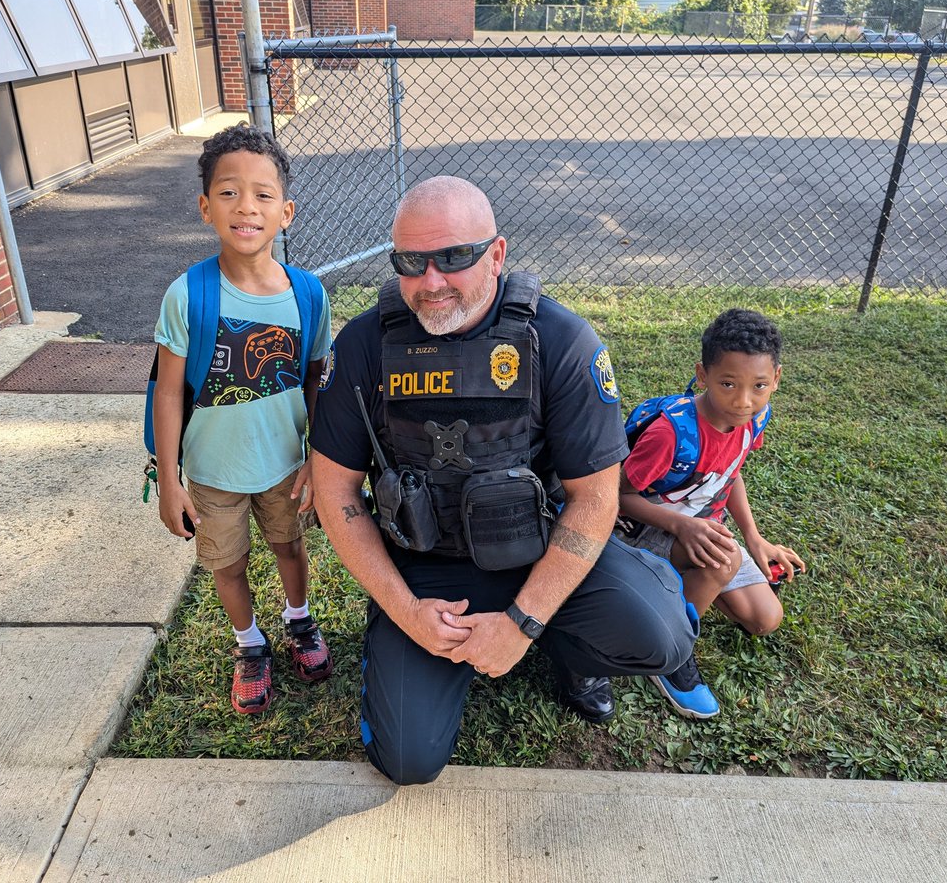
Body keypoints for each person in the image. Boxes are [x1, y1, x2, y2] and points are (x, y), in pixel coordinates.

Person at [310, 176, 698, 785]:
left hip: (535, 546)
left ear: (496, 254)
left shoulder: (561, 341)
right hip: (424, 566)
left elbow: (595, 498)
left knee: (659, 635)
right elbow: (335, 495)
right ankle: (428, 647)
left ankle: (567, 653)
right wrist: (407, 611)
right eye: (411, 262)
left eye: (454, 257)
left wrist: (523, 622)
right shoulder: (364, 345)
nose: (431, 281)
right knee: (407, 761)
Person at [152, 125, 334, 715]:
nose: (246, 207)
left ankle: (298, 621)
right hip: (212, 471)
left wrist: (315, 456)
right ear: (206, 208)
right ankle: (249, 643)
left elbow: (316, 380)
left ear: (287, 212)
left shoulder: (308, 295)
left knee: (289, 547)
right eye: (229, 193)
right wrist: (169, 477)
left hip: (284, 464)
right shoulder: (188, 295)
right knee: (226, 562)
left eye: (262, 195)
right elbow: (170, 391)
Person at [618, 308, 806, 720]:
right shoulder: (672, 433)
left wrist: (756, 540)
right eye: (728, 384)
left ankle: (678, 587)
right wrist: (682, 525)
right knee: (724, 556)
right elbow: (618, 496)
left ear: (776, 378)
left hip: (700, 528)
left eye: (759, 386)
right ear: (702, 376)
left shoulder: (756, 417)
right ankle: (669, 651)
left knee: (764, 619)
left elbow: (729, 475)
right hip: (642, 528)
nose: (743, 401)